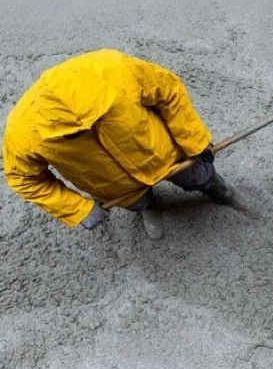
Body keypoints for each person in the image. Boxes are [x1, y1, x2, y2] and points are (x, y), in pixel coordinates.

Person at [2, 49, 238, 240]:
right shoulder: (22, 135)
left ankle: (211, 184)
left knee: (196, 174)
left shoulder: (115, 69)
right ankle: (149, 206)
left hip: (162, 153)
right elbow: (23, 179)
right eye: (76, 134)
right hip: (116, 187)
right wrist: (77, 208)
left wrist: (195, 141)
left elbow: (169, 91)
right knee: (137, 201)